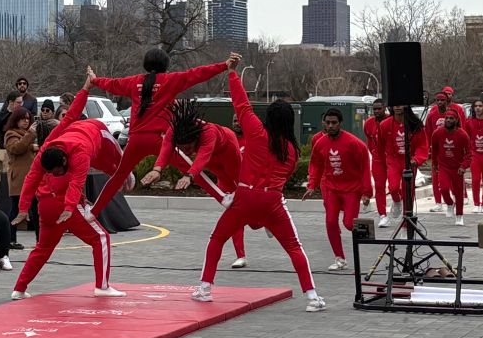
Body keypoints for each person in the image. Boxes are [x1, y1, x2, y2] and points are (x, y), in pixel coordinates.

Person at [192, 56, 325, 312]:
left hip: (244, 196)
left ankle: (205, 289)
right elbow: (283, 179)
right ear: (290, 122)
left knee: (217, 238)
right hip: (272, 200)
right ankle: (312, 297)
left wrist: (232, 73)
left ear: (269, 118)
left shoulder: (255, 132)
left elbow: (241, 104)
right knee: (294, 248)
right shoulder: (292, 151)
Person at [10, 78, 126, 299]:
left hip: (46, 205)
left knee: (42, 249)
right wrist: (70, 206)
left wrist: (24, 208)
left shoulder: (48, 146)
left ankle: (19, 289)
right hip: (64, 204)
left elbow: (32, 180)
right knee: (101, 238)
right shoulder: (75, 153)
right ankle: (102, 286)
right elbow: (74, 182)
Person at [87, 49, 231, 217]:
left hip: (135, 140)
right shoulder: (170, 80)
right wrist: (224, 66)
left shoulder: (134, 82)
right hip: (160, 139)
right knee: (190, 169)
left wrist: (95, 79)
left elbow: (112, 84)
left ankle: (93, 213)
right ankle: (223, 198)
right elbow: (198, 74)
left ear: (146, 65)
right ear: (166, 65)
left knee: (118, 177)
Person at [142, 99, 247, 268]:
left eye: (188, 148)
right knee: (233, 207)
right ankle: (241, 254)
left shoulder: (208, 132)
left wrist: (190, 176)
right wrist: (157, 169)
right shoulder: (173, 132)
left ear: (195, 137)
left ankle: (264, 219)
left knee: (245, 194)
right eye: (182, 148)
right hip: (214, 162)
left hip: (227, 150)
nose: (186, 152)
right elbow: (166, 147)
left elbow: (202, 156)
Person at [304, 108, 372, 272]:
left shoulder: (355, 144)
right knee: (330, 221)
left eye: (334, 123)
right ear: (324, 123)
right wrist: (312, 185)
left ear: (340, 123)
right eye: (328, 123)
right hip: (331, 188)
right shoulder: (320, 143)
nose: (330, 126)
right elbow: (315, 165)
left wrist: (366, 192)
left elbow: (364, 168)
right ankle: (340, 258)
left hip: (351, 188)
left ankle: (368, 233)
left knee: (349, 224)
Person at [379, 106, 428, 218]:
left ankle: (406, 223)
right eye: (395, 104)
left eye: (400, 104)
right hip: (394, 160)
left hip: (410, 161)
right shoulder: (384, 125)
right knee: (393, 187)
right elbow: (381, 144)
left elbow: (422, 145)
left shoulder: (415, 125)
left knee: (408, 192)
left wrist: (417, 159)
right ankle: (396, 201)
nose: (397, 107)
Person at [431, 108, 471, 226]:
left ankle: (459, 216)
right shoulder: (437, 133)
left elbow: (469, 154)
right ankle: (449, 203)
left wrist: (463, 166)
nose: (448, 120)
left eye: (451, 118)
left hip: (457, 168)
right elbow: (434, 151)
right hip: (443, 166)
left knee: (459, 193)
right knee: (443, 188)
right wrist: (434, 164)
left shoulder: (462, 135)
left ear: (456, 120)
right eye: (446, 118)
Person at [4, 107, 37, 248]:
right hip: (18, 179)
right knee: (16, 210)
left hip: (31, 178)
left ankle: (40, 239)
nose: (26, 121)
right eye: (23, 118)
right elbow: (17, 148)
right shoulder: (10, 134)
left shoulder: (27, 134)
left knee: (36, 210)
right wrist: (30, 136)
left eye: (28, 118)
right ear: (16, 119)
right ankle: (11, 239)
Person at [363, 98, 389, 227]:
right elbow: (369, 140)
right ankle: (382, 215)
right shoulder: (368, 124)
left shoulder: (391, 120)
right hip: (378, 159)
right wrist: (373, 152)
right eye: (375, 109)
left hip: (392, 158)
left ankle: (397, 201)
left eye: (379, 108)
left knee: (396, 187)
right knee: (379, 187)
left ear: (385, 108)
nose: (377, 111)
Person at [425, 92, 452, 212]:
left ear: (446, 101)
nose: (440, 102)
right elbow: (428, 133)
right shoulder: (431, 115)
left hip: (450, 148)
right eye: (437, 100)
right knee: (435, 176)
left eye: (442, 100)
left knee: (451, 175)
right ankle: (438, 202)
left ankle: (452, 199)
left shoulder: (451, 114)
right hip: (436, 150)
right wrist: (428, 149)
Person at [466, 99, 483, 214]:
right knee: (476, 179)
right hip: (475, 154)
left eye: (480, 106)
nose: (478, 108)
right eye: (476, 106)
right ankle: (476, 204)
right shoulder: (469, 122)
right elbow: (465, 139)